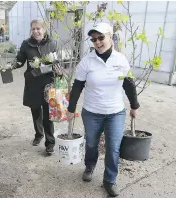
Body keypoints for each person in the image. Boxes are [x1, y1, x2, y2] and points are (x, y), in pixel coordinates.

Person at [66, 22, 140, 197]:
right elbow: (77, 86)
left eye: (101, 38)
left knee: (113, 147)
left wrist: (134, 105)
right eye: (94, 39)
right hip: (92, 112)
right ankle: (90, 166)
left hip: (115, 112)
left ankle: (110, 180)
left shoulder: (120, 60)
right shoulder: (87, 61)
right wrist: (71, 108)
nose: (97, 42)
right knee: (91, 143)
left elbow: (129, 84)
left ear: (110, 37)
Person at [12, 19, 62, 154]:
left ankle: (50, 143)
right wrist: (10, 66)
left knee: (48, 114)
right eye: (33, 29)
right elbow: (20, 61)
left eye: (38, 28)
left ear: (44, 30)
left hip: (48, 83)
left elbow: (58, 63)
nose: (36, 31)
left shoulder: (52, 44)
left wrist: (59, 71)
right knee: (35, 111)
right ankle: (38, 134)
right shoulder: (26, 44)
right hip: (32, 82)